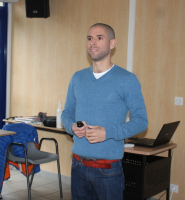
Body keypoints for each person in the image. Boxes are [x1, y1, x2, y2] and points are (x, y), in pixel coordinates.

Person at [61, 23, 148, 200]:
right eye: (89, 38)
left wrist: (107, 133)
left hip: (108, 172)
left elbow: (141, 121)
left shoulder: (127, 79)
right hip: (78, 167)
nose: (93, 42)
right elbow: (67, 112)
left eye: (99, 38)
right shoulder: (77, 77)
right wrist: (71, 126)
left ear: (112, 43)